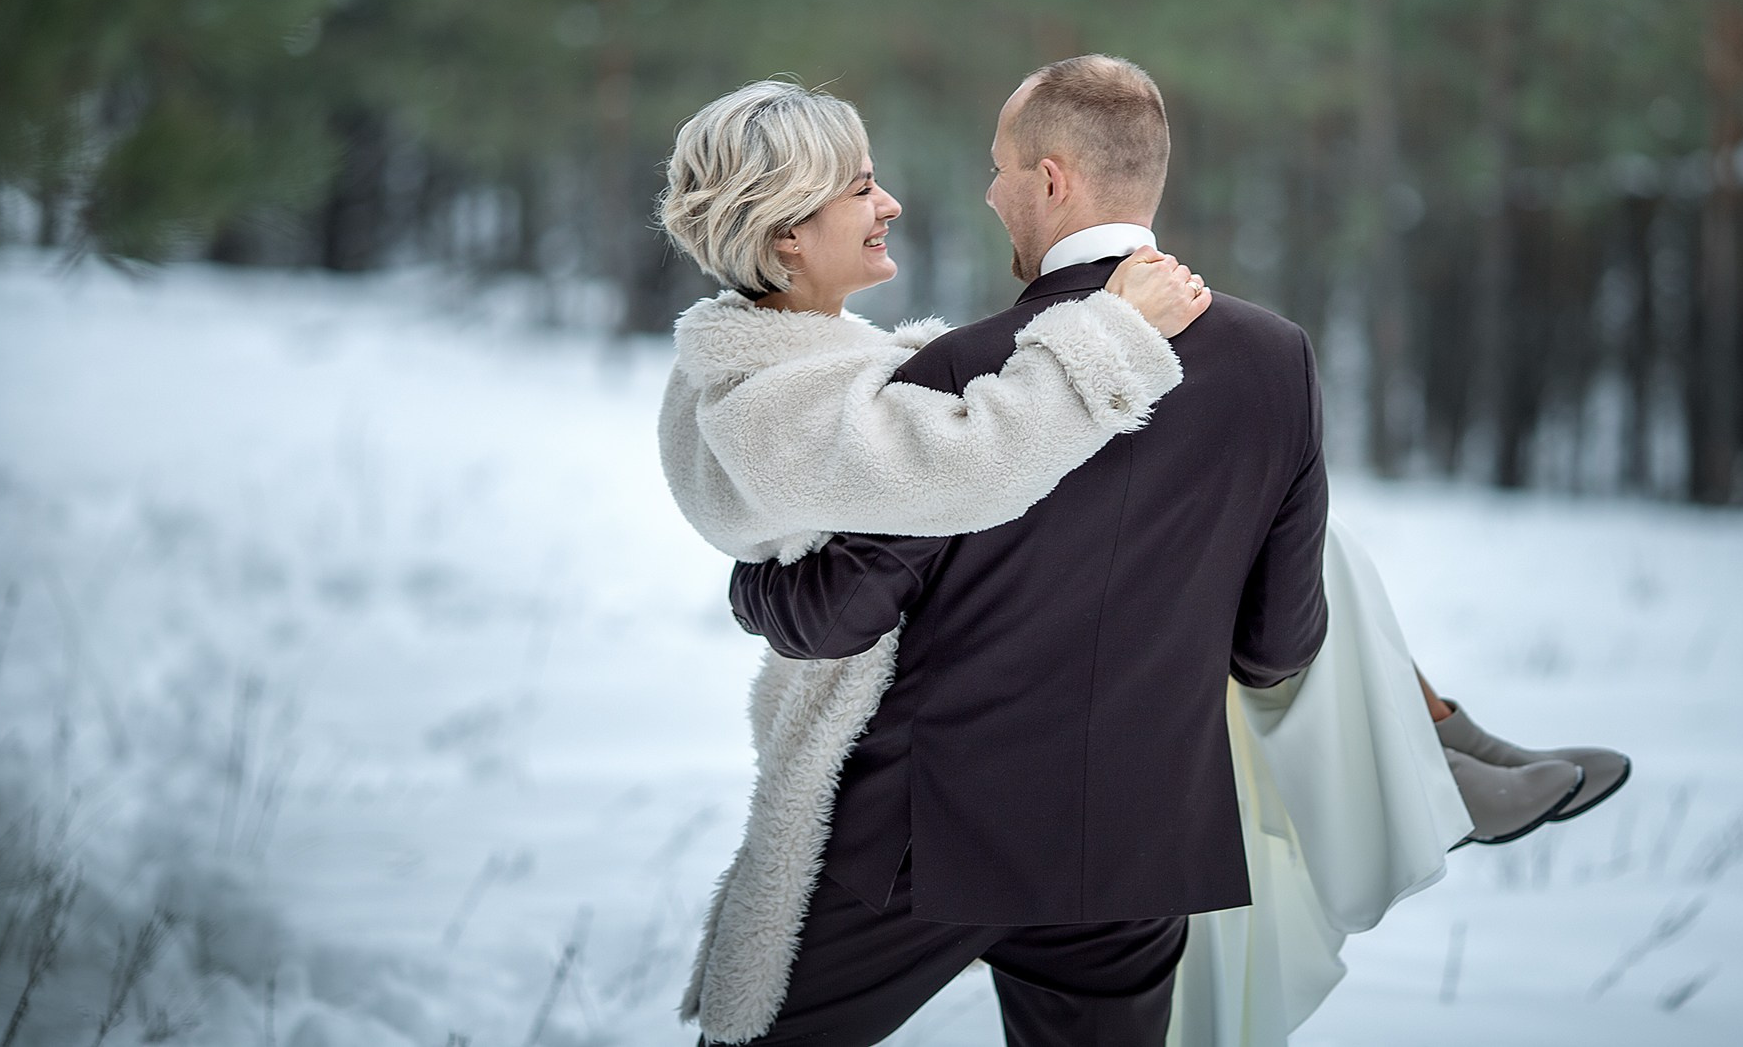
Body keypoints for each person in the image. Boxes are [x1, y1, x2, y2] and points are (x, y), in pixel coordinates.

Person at [656, 65, 1628, 1047]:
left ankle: (1441, 744)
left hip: (937, 827)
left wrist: (751, 587)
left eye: (997, 169)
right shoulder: (1273, 357)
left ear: (1048, 179)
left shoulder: (955, 372)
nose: (975, 194)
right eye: (863, 186)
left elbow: (842, 610)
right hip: (1136, 841)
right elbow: (1273, 649)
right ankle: (1436, 749)